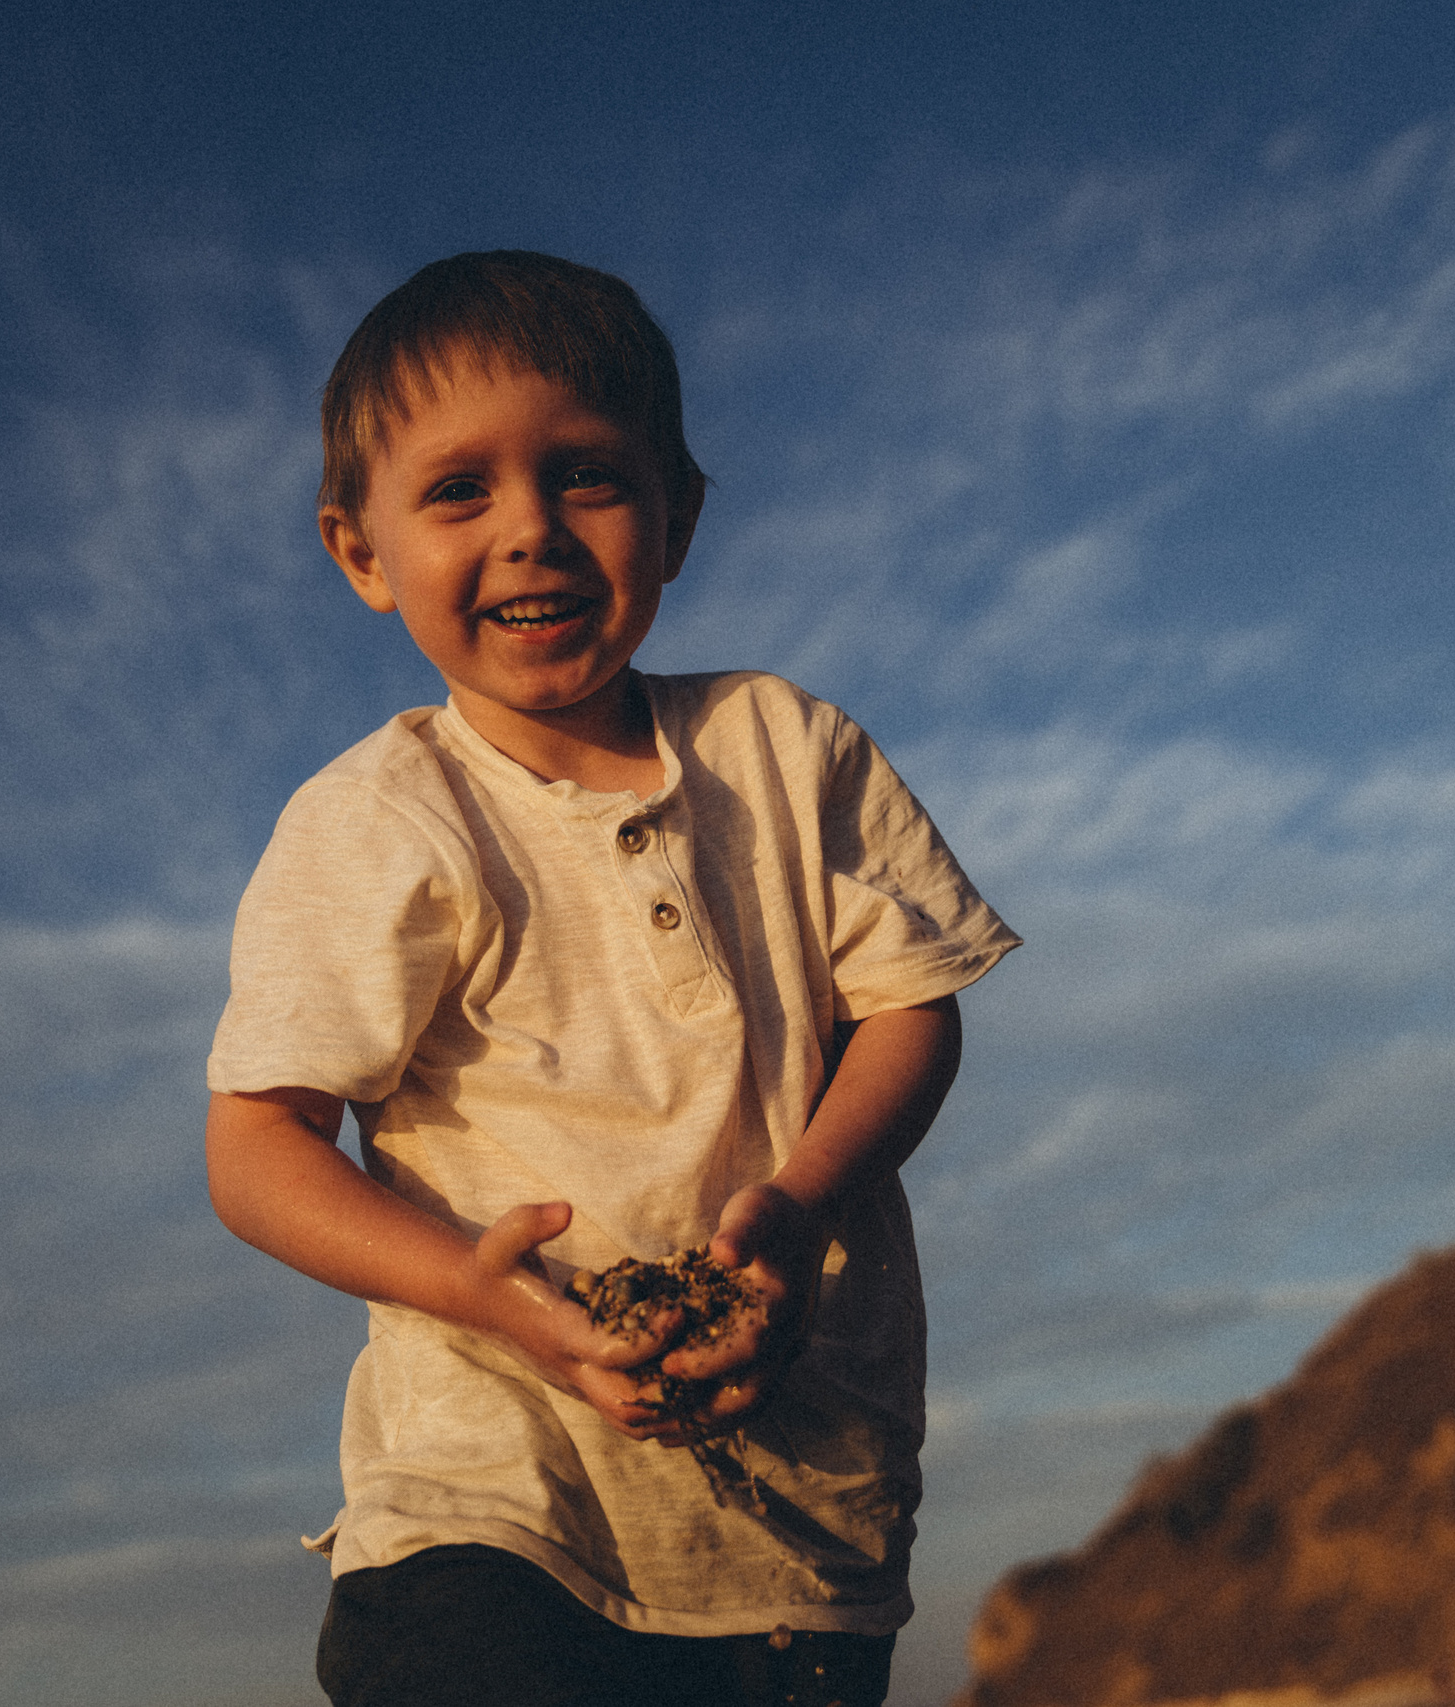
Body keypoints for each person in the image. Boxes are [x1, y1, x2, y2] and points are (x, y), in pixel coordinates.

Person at [204, 250, 1019, 1707]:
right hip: (484, 1499)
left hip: (797, 1526)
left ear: (677, 514)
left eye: (586, 477)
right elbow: (258, 1151)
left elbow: (909, 1008)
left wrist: (800, 1199)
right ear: (361, 552)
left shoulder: (787, 747)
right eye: (460, 492)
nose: (530, 532)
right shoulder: (379, 820)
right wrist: (480, 1287)